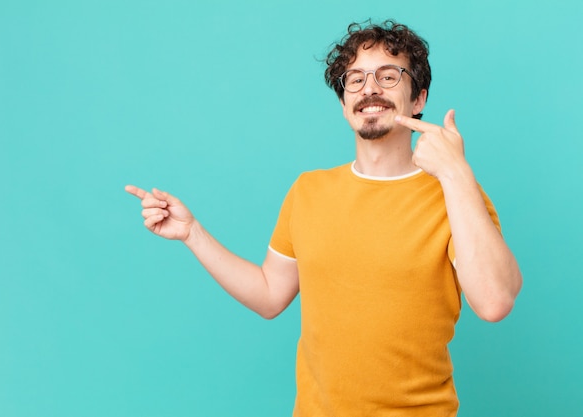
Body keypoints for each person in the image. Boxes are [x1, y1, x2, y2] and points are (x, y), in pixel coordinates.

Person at [125, 19, 522, 417]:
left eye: (388, 76)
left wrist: (454, 172)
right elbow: (268, 295)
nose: (370, 89)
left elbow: (494, 302)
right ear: (343, 103)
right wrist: (193, 233)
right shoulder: (308, 191)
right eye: (355, 79)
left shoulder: (455, 193)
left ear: (418, 99)